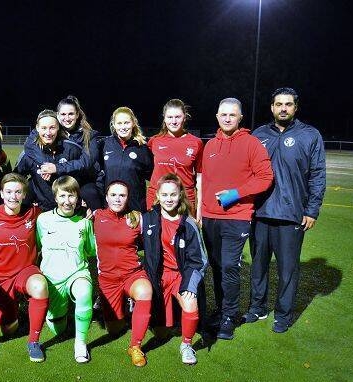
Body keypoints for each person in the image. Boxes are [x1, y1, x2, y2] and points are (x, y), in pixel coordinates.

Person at [246, 87, 326, 333]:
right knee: (258, 265)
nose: (283, 108)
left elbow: (317, 175)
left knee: (287, 270)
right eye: (279, 104)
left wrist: (312, 210)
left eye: (288, 104)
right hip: (260, 213)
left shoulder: (310, 135)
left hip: (291, 215)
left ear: (295, 107)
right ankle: (257, 308)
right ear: (272, 107)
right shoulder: (258, 134)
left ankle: (283, 315)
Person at [200, 97, 274, 340]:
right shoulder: (210, 145)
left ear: (240, 117)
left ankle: (230, 316)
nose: (227, 118)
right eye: (223, 114)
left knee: (230, 266)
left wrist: (236, 194)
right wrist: (200, 210)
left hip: (237, 217)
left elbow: (266, 177)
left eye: (232, 115)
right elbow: (204, 180)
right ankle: (221, 310)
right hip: (209, 217)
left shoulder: (252, 144)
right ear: (217, 117)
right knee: (216, 266)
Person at [0, 173, 50, 362]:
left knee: (39, 285)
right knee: (8, 330)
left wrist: (85, 207)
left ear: (24, 194)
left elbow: (57, 213)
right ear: (1, 194)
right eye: (9, 192)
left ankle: (34, 342)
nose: (13, 196)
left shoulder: (33, 213)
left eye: (18, 192)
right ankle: (14, 310)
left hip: (25, 271)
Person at [142, 174, 208, 364]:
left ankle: (186, 345)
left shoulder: (189, 224)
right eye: (164, 195)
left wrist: (190, 286)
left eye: (173, 194)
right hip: (158, 276)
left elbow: (199, 261)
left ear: (180, 195)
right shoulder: (148, 218)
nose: (169, 199)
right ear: (158, 196)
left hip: (180, 276)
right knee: (161, 333)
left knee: (190, 303)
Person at [36, 176, 96, 363]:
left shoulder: (84, 222)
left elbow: (91, 250)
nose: (67, 201)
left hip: (77, 273)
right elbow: (37, 247)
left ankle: (80, 344)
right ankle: (63, 314)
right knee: (59, 328)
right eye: (62, 196)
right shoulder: (43, 220)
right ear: (55, 197)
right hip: (52, 280)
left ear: (78, 198)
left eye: (71, 196)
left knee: (84, 292)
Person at [92, 181, 153, 366]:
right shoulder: (95, 216)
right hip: (108, 279)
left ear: (128, 198)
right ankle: (126, 307)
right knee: (114, 328)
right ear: (106, 197)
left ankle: (135, 346)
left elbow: (152, 243)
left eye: (122, 195)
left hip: (132, 275)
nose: (117, 199)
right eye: (113, 195)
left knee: (145, 291)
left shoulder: (137, 218)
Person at [16, 110, 91, 211]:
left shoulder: (72, 149)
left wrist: (84, 203)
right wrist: (29, 198)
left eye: (52, 128)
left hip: (70, 208)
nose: (48, 133)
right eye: (44, 128)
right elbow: (17, 178)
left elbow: (85, 176)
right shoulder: (28, 154)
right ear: (37, 128)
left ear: (58, 127)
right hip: (43, 210)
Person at [147, 99, 203, 216]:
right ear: (164, 118)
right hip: (158, 199)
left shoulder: (196, 143)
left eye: (177, 117)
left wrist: (200, 208)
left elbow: (200, 177)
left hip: (185, 200)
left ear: (185, 117)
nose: (173, 121)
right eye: (170, 117)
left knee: (185, 228)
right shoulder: (154, 141)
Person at [94, 107, 154, 212]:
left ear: (133, 123)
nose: (123, 127)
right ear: (114, 125)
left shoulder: (142, 148)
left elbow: (152, 177)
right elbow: (97, 173)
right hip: (110, 207)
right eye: (119, 123)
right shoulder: (104, 145)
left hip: (134, 208)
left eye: (126, 123)